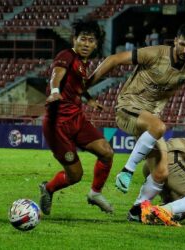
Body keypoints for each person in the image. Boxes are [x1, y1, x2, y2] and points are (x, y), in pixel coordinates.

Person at [87, 24, 185, 206]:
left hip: (150, 120)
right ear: (175, 41)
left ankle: (138, 210)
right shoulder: (156, 53)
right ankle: (127, 170)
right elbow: (114, 59)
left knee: (162, 171)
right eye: (182, 44)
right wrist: (86, 86)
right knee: (158, 126)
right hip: (128, 107)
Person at [39, 19, 114, 215]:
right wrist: (55, 91)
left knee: (106, 152)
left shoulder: (82, 64)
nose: (86, 44)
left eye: (91, 41)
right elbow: (57, 74)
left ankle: (95, 193)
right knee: (75, 176)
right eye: (83, 39)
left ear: (96, 44)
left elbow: (78, 86)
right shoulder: (66, 55)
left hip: (77, 118)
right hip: (58, 125)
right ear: (75, 39)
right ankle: (48, 189)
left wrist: (89, 99)